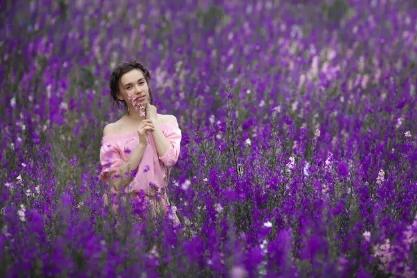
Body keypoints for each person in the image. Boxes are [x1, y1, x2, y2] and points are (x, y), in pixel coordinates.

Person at [99, 61, 181, 225]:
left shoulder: (168, 121)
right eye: (129, 87)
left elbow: (170, 158)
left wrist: (152, 121)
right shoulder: (113, 130)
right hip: (125, 212)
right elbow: (117, 182)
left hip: (158, 207)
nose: (138, 90)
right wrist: (141, 145)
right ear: (119, 95)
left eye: (141, 83)